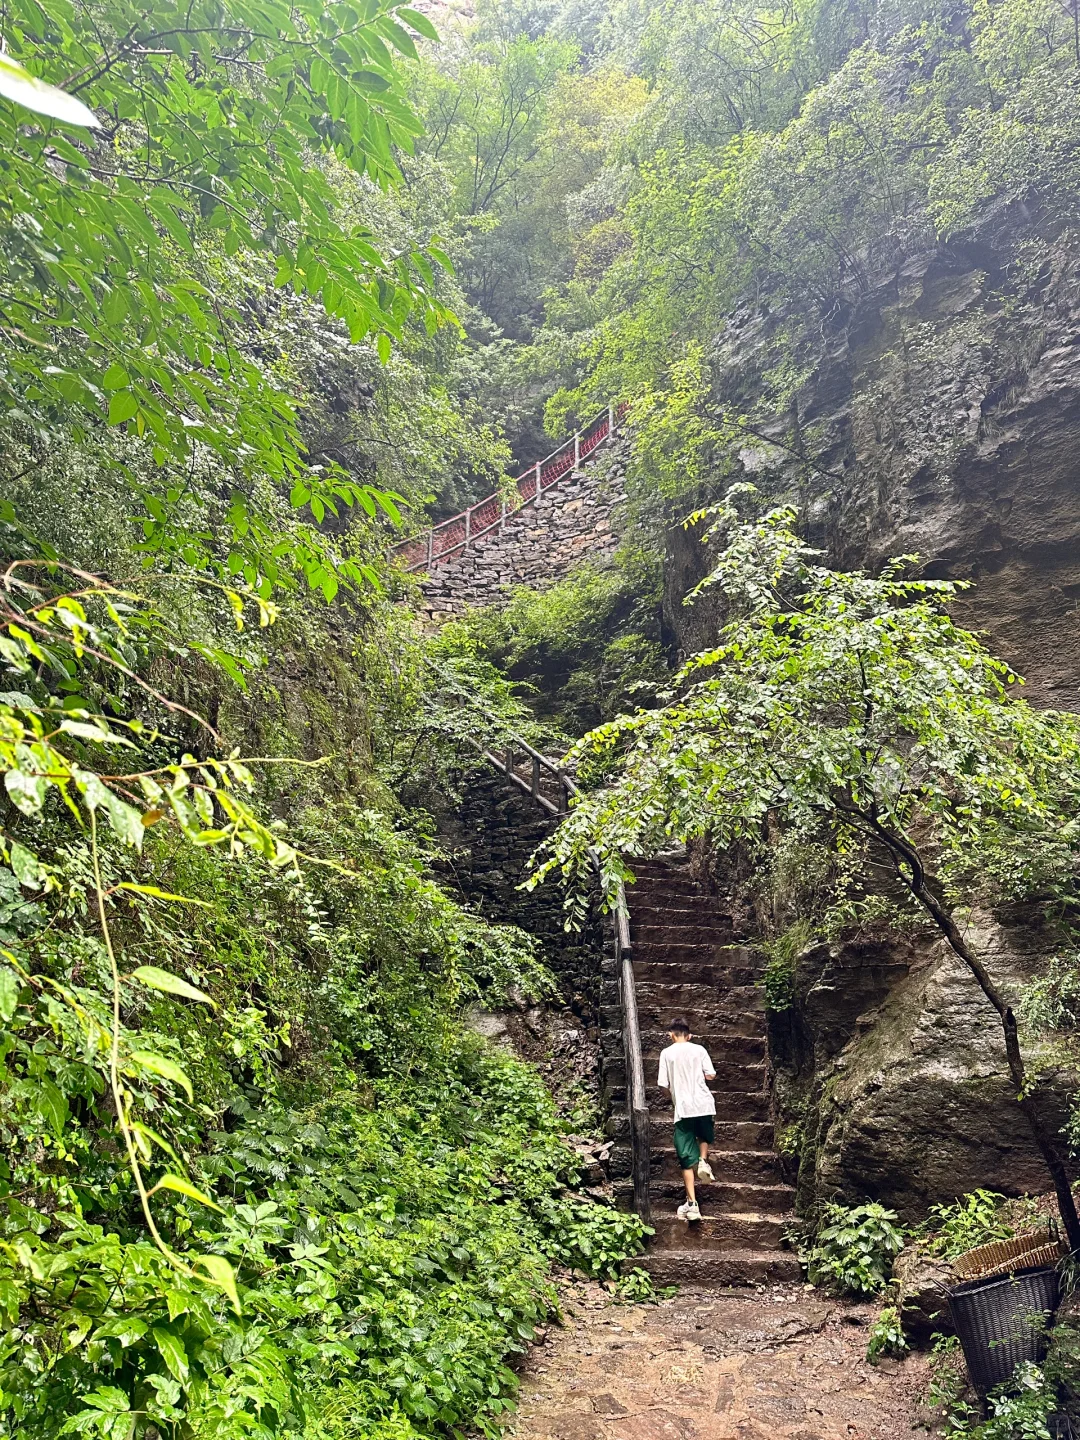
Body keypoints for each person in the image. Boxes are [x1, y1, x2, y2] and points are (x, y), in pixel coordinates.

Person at [656, 1017, 716, 1222]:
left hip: (683, 1108)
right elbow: (711, 1075)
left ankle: (692, 1203)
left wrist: (671, 1094)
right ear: (690, 1036)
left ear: (670, 1035)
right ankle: (703, 1161)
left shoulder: (666, 1053)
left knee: (684, 1158)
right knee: (704, 1135)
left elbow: (662, 1085)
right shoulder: (699, 1050)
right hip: (704, 1103)